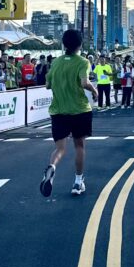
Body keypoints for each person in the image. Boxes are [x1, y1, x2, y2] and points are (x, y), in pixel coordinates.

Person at [40, 30, 97, 198]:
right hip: (79, 110)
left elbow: (48, 85)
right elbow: (84, 82)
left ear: (64, 44)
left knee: (59, 149)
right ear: (80, 45)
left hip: (58, 111)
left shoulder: (56, 63)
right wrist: (94, 91)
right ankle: (78, 182)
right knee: (79, 146)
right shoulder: (83, 62)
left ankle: (52, 167)